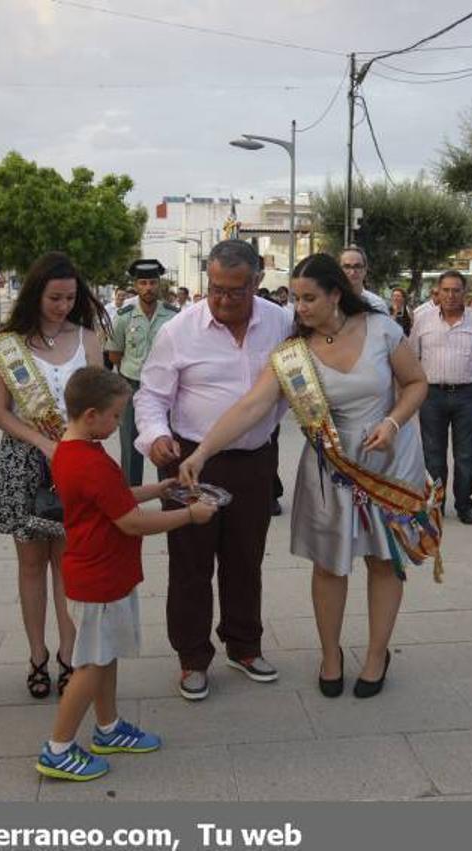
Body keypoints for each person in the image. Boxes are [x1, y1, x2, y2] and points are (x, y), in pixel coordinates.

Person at [179, 252, 436, 699]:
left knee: (385, 560)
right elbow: (250, 406)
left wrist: (393, 422)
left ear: (336, 294)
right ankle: (330, 655)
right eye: (295, 299)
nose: (299, 308)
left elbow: (416, 382)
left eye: (309, 298)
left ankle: (377, 655)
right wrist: (202, 452)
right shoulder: (293, 355)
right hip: (332, 470)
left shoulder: (381, 328)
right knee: (329, 564)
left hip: (390, 462)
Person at [38, 367, 216, 781]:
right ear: (91, 415)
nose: (119, 423)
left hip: (102, 573)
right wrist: (190, 516)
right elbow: (131, 522)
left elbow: (112, 498)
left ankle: (108, 727)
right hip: (98, 578)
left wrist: (159, 490)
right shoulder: (90, 461)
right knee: (90, 665)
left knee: (105, 656)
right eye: (116, 415)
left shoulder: (72, 449)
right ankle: (58, 748)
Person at [134, 239, 293, 701]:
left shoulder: (280, 323)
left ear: (257, 281)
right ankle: (192, 657)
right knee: (191, 562)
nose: (222, 300)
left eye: (235, 291)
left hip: (255, 460)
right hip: (190, 461)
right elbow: (151, 396)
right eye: (216, 289)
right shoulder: (180, 330)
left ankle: (244, 645)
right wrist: (155, 436)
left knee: (246, 559)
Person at [0, 251, 108, 700]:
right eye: (54, 297)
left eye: (70, 298)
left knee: (68, 565)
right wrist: (42, 442)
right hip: (24, 462)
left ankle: (68, 655)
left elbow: (100, 404)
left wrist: (77, 445)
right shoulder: (9, 345)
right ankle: (37, 654)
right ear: (36, 294)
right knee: (32, 564)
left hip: (75, 463)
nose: (62, 306)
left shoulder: (88, 340)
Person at [409, 271, 472, 523]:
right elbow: (413, 356)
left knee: (466, 454)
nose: (450, 295)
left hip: (468, 395)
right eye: (445, 290)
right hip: (432, 395)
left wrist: (465, 376)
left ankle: (464, 505)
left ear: (464, 292)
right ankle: (436, 504)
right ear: (437, 291)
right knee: (433, 453)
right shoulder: (422, 319)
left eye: (456, 290)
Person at [107, 259, 177, 486]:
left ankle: (168, 493)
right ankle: (130, 497)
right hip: (131, 387)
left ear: (159, 284)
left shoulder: (173, 316)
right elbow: (114, 354)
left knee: (165, 442)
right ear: (136, 286)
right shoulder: (124, 316)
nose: (148, 288)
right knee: (130, 445)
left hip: (165, 388)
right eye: (143, 283)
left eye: (153, 283)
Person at [338, 245, 388, 311]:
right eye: (347, 267)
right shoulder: (331, 303)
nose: (352, 272)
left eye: (357, 266)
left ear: (365, 269)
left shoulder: (377, 305)